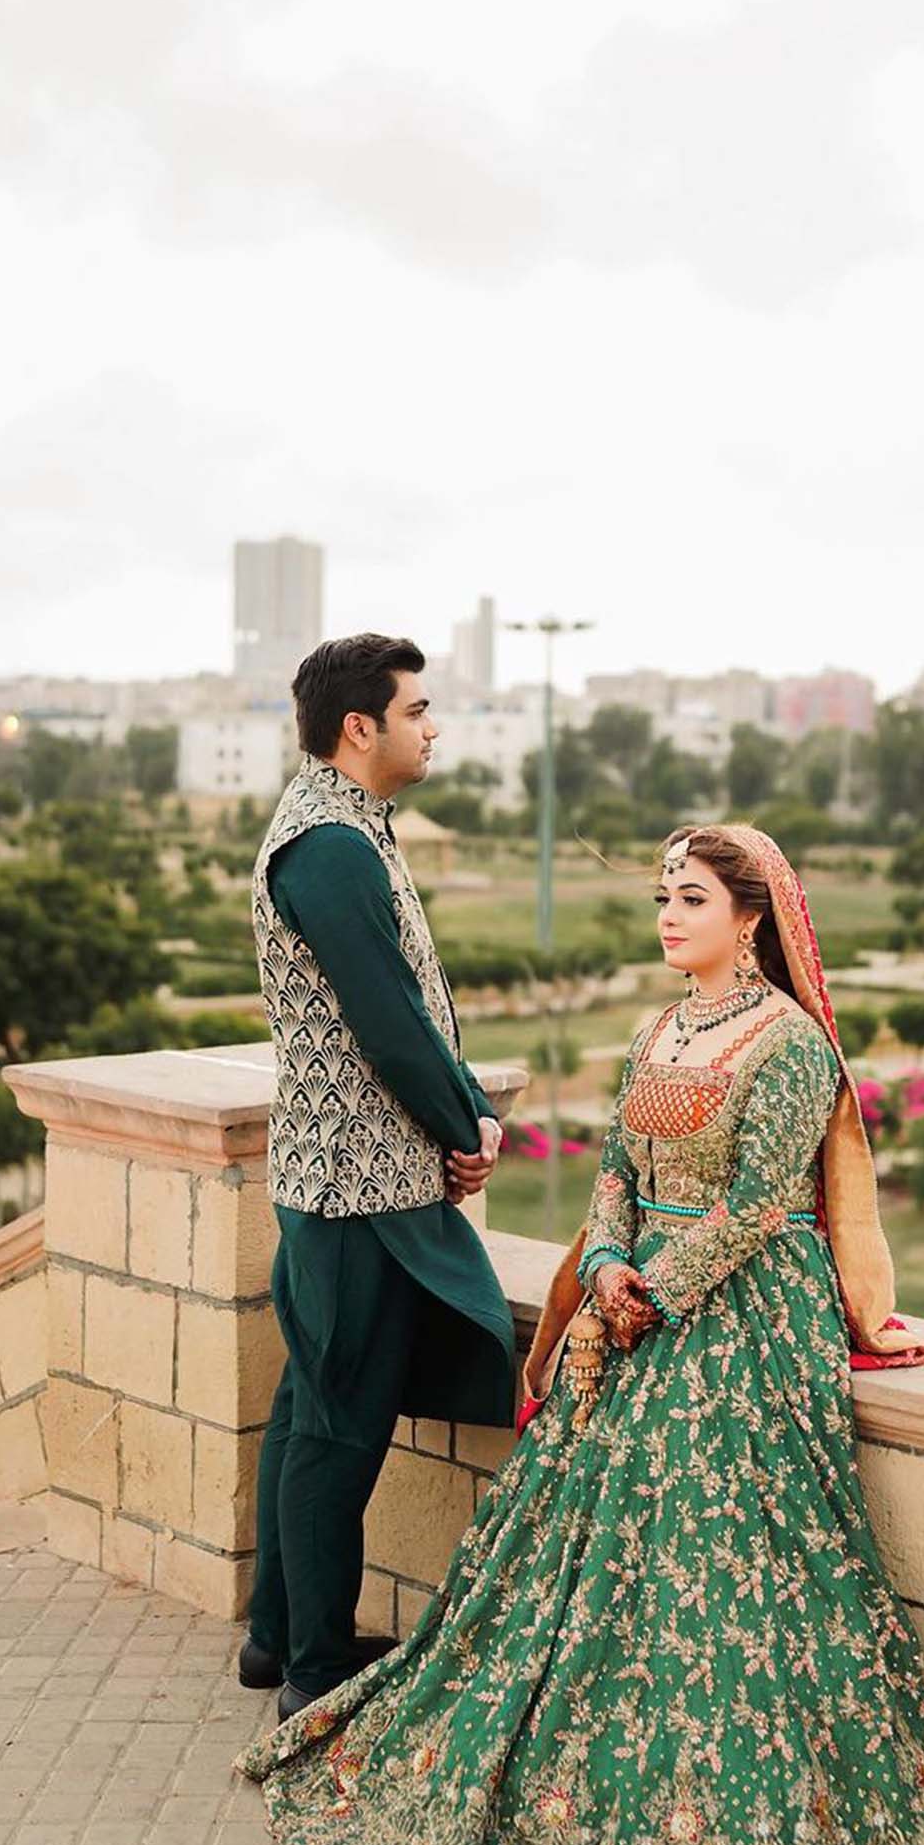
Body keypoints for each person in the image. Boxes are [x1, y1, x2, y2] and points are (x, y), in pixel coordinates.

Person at [237, 822, 924, 1845]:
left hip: (749, 1316)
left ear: (753, 917)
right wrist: (606, 1273)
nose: (667, 914)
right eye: (660, 896)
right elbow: (615, 1176)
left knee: (712, 1531)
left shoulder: (791, 1046)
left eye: (690, 897)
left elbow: (756, 1208)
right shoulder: (661, 1030)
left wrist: (656, 1293)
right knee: (565, 1529)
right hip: (636, 1302)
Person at [240, 634, 513, 1723]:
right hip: (356, 1189)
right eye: (418, 709)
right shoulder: (330, 846)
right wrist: (468, 1125)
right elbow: (389, 1025)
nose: (432, 726)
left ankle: (273, 1638)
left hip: (346, 1178)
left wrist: (463, 1110)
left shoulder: (345, 827)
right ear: (362, 727)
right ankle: (311, 1666)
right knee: (339, 1423)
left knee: (311, 1402)